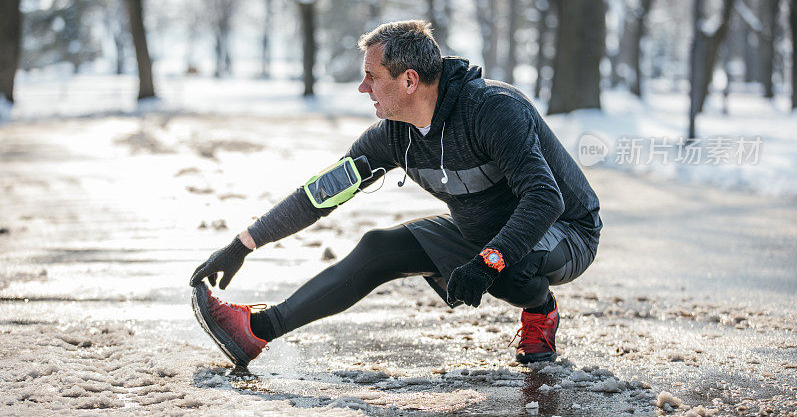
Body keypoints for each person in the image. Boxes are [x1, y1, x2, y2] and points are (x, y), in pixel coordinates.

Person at [190, 20, 601, 368]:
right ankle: (255, 332)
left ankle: (540, 310)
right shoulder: (392, 136)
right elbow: (318, 195)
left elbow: (545, 199)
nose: (362, 87)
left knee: (511, 264)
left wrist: (487, 263)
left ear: (409, 80)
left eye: (372, 76)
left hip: (565, 231)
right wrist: (243, 243)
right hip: (480, 236)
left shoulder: (493, 110)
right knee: (378, 248)